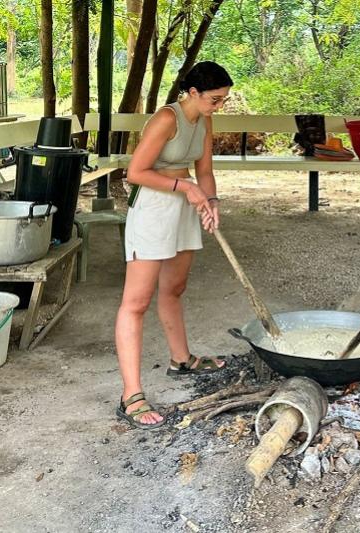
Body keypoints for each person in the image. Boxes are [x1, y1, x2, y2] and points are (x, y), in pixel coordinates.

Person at [114, 61, 233, 429]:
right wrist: (186, 188)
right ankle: (131, 395)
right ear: (193, 93)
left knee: (174, 288)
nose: (219, 106)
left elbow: (205, 171)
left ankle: (181, 360)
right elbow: (135, 173)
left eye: (223, 100)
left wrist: (210, 203)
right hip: (153, 208)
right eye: (215, 99)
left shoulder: (205, 119)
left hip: (184, 205)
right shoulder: (167, 119)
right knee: (136, 302)